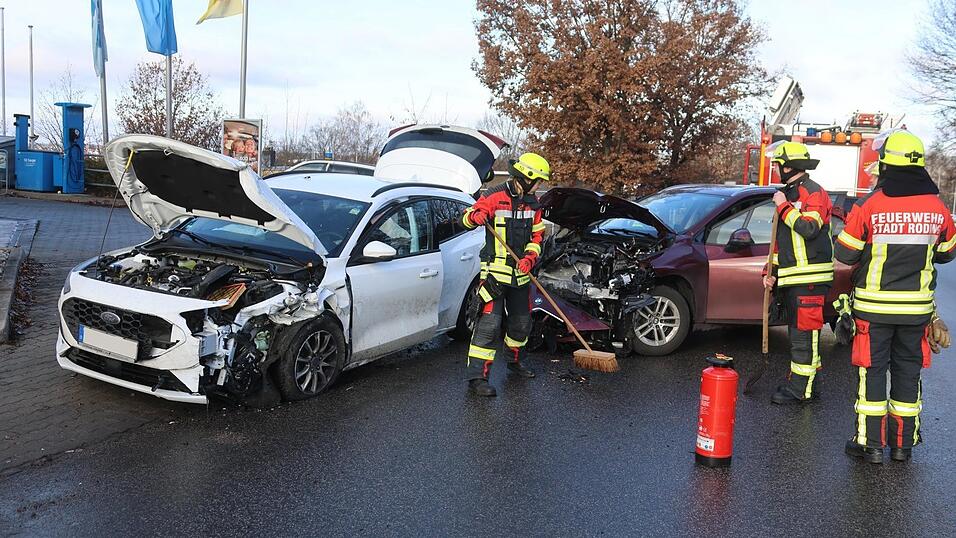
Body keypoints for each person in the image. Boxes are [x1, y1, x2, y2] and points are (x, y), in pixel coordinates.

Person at [834, 130, 956, 463]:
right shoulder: (938, 208)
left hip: (873, 311)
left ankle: (870, 445)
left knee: (872, 372)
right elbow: (947, 253)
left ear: (886, 165)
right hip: (916, 312)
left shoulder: (871, 205)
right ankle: (902, 445)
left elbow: (844, 254)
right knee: (907, 373)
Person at [461, 152, 550, 397]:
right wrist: (475, 216)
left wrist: (530, 257)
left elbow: (538, 236)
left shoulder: (533, 204)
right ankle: (478, 377)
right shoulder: (493, 196)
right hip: (495, 275)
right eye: (538, 181)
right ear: (527, 177)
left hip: (521, 276)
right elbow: (465, 218)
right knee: (489, 325)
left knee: (521, 324)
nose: (539, 186)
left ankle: (515, 361)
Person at [762, 141, 835, 404]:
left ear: (788, 166)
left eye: (778, 165)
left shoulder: (813, 192)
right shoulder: (788, 194)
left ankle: (800, 391)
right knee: (801, 337)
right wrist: (770, 272)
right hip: (794, 279)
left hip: (810, 280)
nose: (776, 169)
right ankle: (809, 385)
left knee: (804, 338)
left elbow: (809, 228)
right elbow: (781, 243)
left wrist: (784, 207)